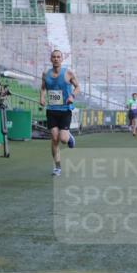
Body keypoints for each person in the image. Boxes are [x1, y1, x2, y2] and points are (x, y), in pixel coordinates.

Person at [39, 49, 80, 177]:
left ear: (62, 59)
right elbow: (43, 87)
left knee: (63, 139)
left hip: (65, 110)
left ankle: (69, 137)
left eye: (58, 57)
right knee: (55, 138)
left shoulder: (68, 73)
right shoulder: (45, 74)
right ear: (51, 59)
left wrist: (72, 96)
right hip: (51, 111)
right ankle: (57, 167)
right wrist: (42, 97)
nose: (56, 59)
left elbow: (78, 87)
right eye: (54, 57)